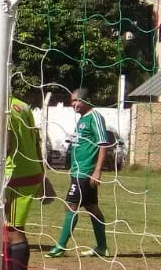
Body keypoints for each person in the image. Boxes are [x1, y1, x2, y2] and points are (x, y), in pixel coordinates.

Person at [47, 88, 112, 259]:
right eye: (72, 102)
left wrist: (97, 171)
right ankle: (102, 247)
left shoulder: (95, 117)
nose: (74, 104)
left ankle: (60, 246)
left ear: (88, 100)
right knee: (92, 208)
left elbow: (103, 144)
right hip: (78, 171)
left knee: (70, 205)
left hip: (86, 172)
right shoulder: (83, 119)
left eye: (77, 100)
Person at [1, 96, 45, 270]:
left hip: (14, 173)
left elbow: (6, 143)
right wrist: (42, 173)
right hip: (30, 170)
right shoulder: (24, 105)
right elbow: (36, 140)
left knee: (13, 229)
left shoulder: (2, 106)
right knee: (6, 227)